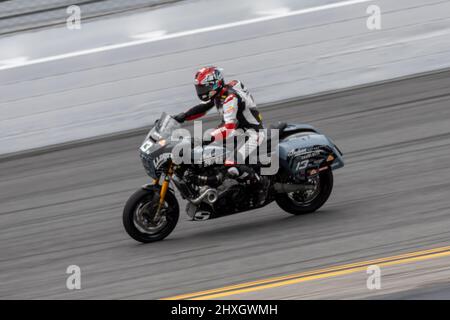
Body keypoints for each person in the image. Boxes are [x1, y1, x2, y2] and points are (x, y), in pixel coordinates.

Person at [174, 66, 269, 204]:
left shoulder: (230, 97)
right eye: (199, 88)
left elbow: (228, 127)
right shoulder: (219, 94)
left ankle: (261, 185)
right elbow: (202, 108)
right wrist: (181, 117)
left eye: (203, 87)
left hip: (253, 134)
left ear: (215, 84)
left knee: (231, 164)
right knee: (213, 158)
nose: (201, 91)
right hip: (239, 133)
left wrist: (205, 139)